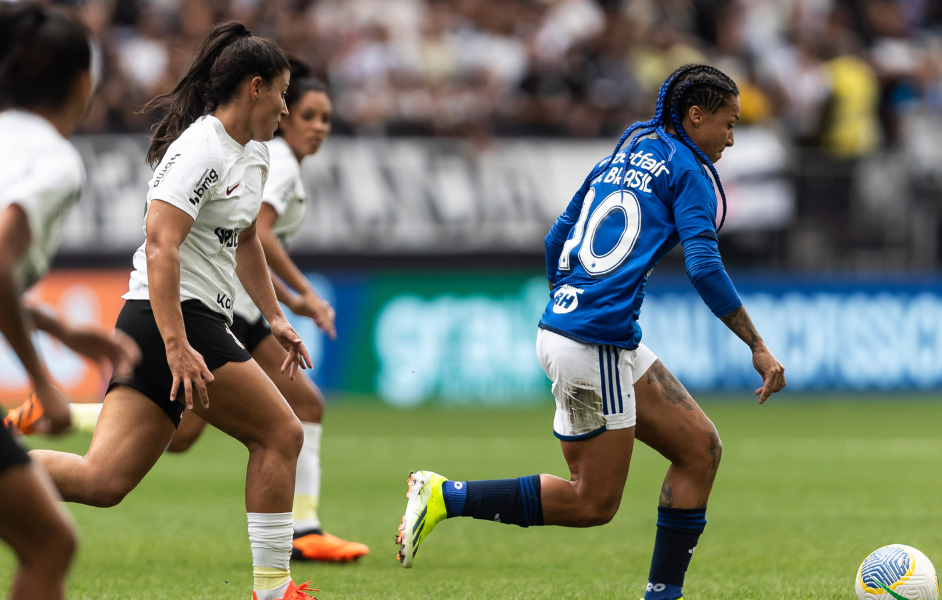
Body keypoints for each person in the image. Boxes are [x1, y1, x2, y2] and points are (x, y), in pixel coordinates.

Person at [394, 64, 787, 600]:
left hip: (588, 329)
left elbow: (558, 236)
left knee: (700, 449)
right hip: (594, 340)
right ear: (696, 117)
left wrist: (568, 298)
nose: (732, 137)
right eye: (728, 123)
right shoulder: (689, 170)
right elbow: (703, 264)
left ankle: (662, 595)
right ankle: (445, 495)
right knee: (592, 503)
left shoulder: (624, 152)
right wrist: (757, 345)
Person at [28, 21, 318, 600]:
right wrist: (178, 342)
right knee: (281, 433)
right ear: (255, 88)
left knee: (102, 480)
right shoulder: (200, 150)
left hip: (178, 320)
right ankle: (272, 590)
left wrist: (276, 316)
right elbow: (159, 246)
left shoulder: (253, 155)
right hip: (175, 316)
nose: (287, 108)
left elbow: (246, 241)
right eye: (284, 93)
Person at [163, 57, 368, 562]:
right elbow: (261, 233)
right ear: (279, 108)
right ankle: (304, 529)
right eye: (307, 115)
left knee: (181, 430)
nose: (318, 128)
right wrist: (299, 297)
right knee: (305, 409)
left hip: (228, 299)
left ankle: (57, 416)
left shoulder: (261, 154)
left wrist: (288, 304)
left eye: (326, 119)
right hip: (223, 303)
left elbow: (249, 233)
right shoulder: (275, 160)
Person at [0, 4, 138, 599]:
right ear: (84, 83)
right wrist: (44, 382)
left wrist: (60, 331)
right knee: (50, 544)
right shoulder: (53, 160)